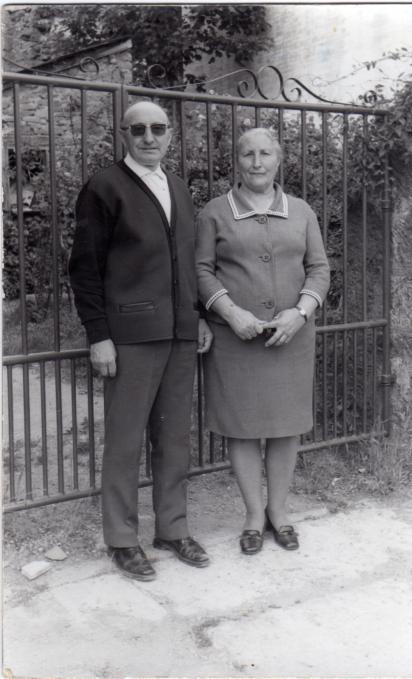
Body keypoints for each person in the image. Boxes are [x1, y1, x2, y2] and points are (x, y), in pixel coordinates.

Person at [69, 101, 213, 581]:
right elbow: (84, 268)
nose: (149, 137)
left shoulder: (178, 188)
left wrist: (198, 316)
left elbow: (187, 262)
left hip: (179, 332)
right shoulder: (104, 187)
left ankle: (172, 528)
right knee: (125, 440)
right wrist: (99, 335)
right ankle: (121, 539)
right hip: (130, 336)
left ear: (170, 134)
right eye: (139, 130)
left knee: (174, 437)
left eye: (158, 128)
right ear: (124, 135)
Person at [196, 127, 330, 555]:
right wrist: (231, 312)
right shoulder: (215, 212)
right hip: (235, 339)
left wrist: (299, 313)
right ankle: (254, 516)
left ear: (279, 158)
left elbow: (319, 269)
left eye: (265, 153)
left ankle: (279, 512)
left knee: (286, 427)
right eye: (248, 154)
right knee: (242, 427)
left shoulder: (302, 211)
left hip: (292, 338)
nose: (257, 162)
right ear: (236, 161)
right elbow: (201, 270)